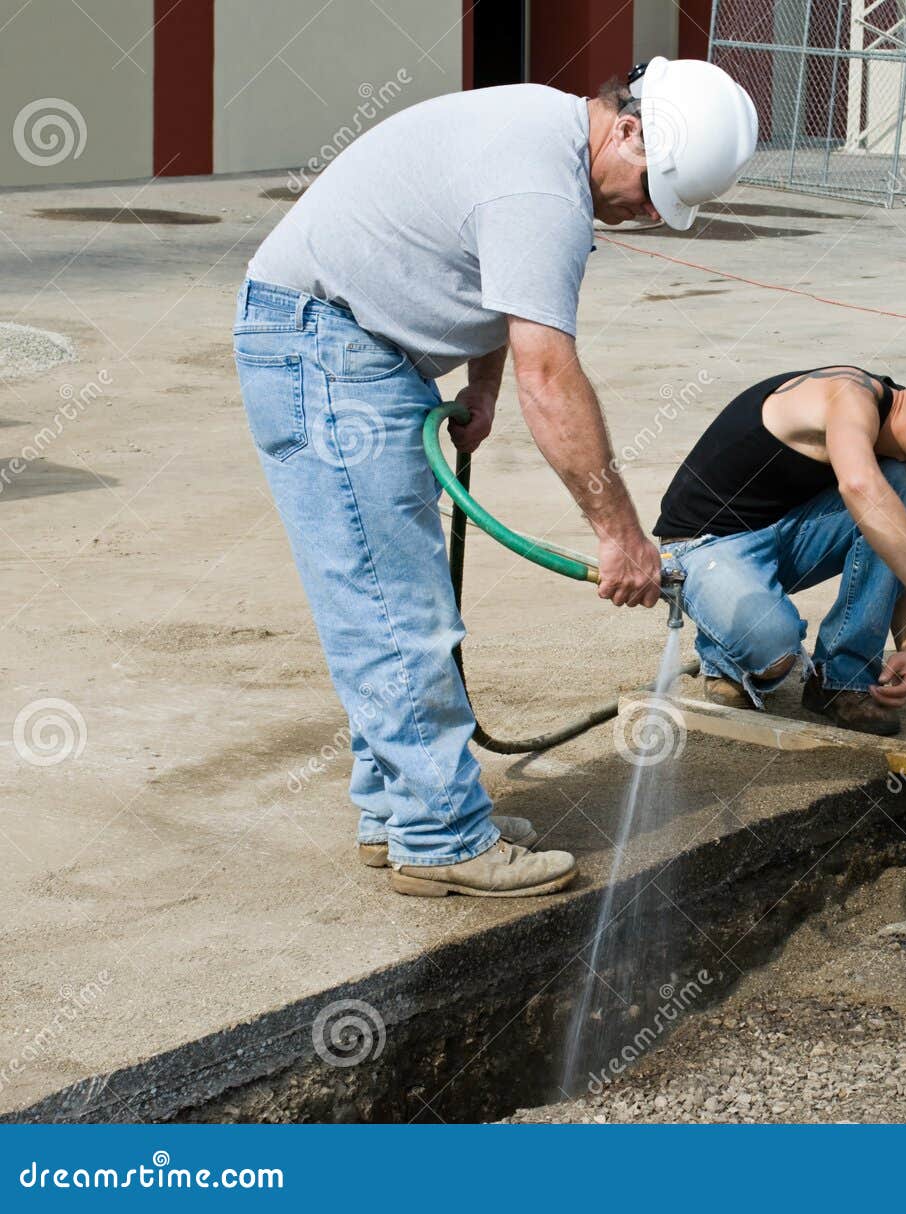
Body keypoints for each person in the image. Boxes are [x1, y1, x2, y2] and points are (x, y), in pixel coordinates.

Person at [234, 59, 757, 897]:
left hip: (345, 342)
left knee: (391, 597)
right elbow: (549, 376)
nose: (651, 214)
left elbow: (492, 286)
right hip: (323, 344)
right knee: (394, 608)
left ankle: (401, 810)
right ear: (626, 129)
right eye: (654, 188)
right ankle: (440, 839)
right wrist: (620, 537)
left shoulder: (542, 137)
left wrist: (478, 387)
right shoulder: (541, 190)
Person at [654, 340, 906, 736]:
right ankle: (726, 654)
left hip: (781, 535)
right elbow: (857, 486)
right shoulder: (849, 395)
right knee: (773, 646)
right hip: (703, 544)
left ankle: (841, 682)